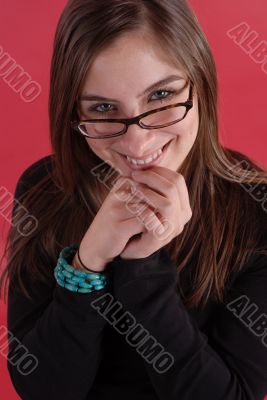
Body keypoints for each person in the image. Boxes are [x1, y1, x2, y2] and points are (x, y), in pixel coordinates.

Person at [1, 0, 267, 399]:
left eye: (161, 95)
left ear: (200, 83)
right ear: (73, 113)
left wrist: (142, 266)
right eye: (104, 109)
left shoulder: (256, 208)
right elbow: (42, 388)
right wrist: (88, 262)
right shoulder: (45, 188)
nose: (137, 142)